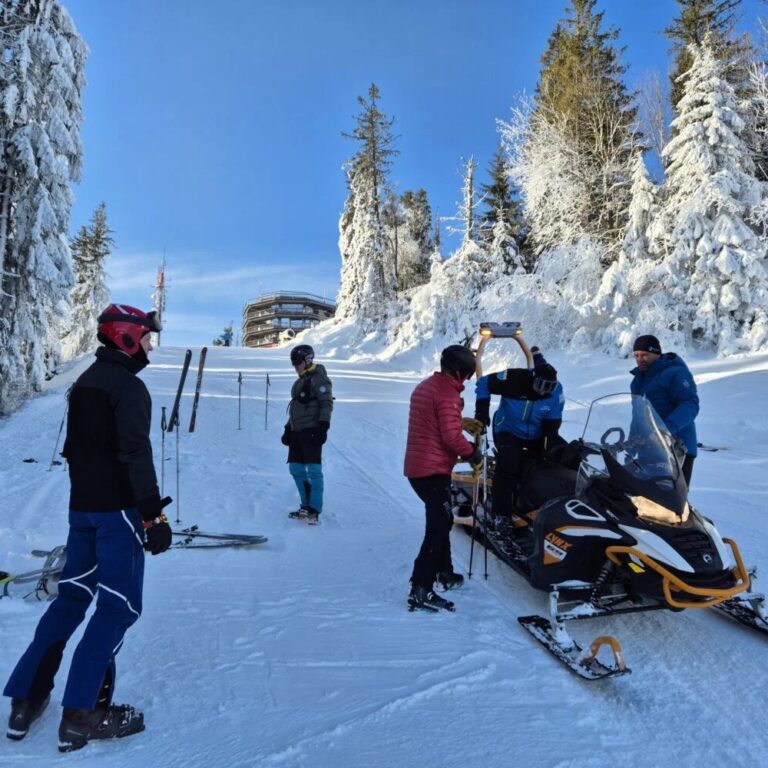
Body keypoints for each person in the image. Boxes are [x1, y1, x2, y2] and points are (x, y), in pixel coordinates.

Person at [4, 304, 172, 752]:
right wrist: (153, 515)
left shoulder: (84, 384)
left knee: (71, 600)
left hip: (82, 513)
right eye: (146, 337)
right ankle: (83, 715)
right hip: (118, 515)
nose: (150, 345)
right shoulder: (129, 387)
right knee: (117, 608)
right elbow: (136, 452)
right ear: (126, 337)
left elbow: (75, 451)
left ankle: (26, 699)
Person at [404, 345, 482, 612]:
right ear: (459, 371)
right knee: (438, 526)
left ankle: (444, 572)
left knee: (444, 518)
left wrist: (461, 422)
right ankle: (420, 587)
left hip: (418, 468)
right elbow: (450, 437)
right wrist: (473, 453)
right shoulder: (447, 393)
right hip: (432, 470)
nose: (467, 381)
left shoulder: (428, 386)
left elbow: (436, 423)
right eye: (467, 375)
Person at [474, 347, 565, 520]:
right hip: (508, 428)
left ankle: (536, 504)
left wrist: (551, 442)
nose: (543, 391)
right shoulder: (513, 379)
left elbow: (553, 422)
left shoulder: (556, 392)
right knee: (508, 465)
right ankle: (501, 515)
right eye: (540, 386)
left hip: (536, 432)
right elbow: (484, 383)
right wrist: (481, 411)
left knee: (548, 463)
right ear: (533, 379)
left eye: (549, 387)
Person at [630, 334, 699, 486]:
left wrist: (665, 430)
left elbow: (690, 404)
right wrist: (632, 441)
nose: (640, 359)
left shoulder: (675, 373)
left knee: (672, 501)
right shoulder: (638, 380)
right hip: (650, 446)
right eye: (636, 355)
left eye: (645, 355)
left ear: (656, 354)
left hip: (677, 447)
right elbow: (638, 414)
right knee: (647, 499)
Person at [282, 344, 333, 524]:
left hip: (312, 430)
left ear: (308, 360)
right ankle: (305, 505)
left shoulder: (319, 378)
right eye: (293, 362)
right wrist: (288, 428)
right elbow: (296, 407)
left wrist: (323, 425)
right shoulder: (300, 381)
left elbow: (326, 402)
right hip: (297, 431)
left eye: (297, 362)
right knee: (295, 468)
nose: (295, 366)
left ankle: (314, 508)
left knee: (313, 470)